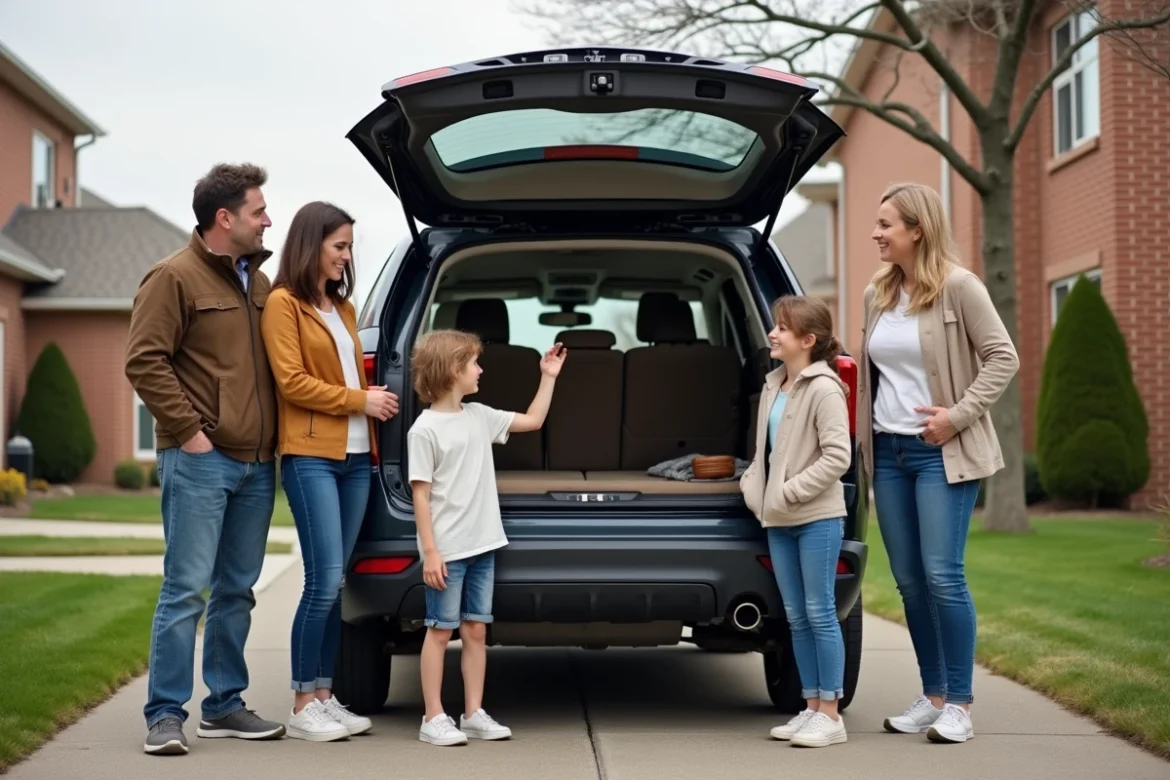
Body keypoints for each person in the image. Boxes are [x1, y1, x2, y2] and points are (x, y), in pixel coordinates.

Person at [126, 163, 285, 756]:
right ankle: (165, 714)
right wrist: (190, 432)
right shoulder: (174, 277)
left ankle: (224, 705)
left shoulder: (261, 285)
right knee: (186, 588)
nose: (268, 220)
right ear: (226, 218)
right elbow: (144, 360)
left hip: (256, 463)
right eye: (259, 211)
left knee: (237, 589)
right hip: (200, 460)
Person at [859, 182, 1019, 744]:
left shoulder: (959, 286)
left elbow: (1004, 357)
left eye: (886, 225)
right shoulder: (876, 293)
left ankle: (961, 703)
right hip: (891, 452)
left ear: (917, 230)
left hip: (940, 453)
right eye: (877, 224)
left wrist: (957, 415)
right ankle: (932, 697)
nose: (876, 233)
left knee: (943, 576)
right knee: (907, 581)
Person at [259, 202, 400, 741]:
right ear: (311, 244)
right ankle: (301, 704)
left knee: (336, 582)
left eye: (348, 247)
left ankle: (324, 694)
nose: (347, 256)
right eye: (339, 246)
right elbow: (291, 382)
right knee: (320, 583)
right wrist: (359, 401)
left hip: (358, 460)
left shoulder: (342, 308)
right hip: (311, 456)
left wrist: (365, 408)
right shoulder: (282, 305)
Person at [407, 329, 567, 746]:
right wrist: (430, 552)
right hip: (448, 551)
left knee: (475, 630)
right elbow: (420, 495)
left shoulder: (478, 415)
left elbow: (532, 421)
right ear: (451, 371)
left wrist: (548, 376)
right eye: (474, 364)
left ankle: (473, 712)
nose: (480, 370)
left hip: (483, 546)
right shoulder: (423, 430)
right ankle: (433, 716)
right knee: (440, 630)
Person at [740, 295, 852, 749]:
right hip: (777, 519)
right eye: (775, 326)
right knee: (796, 616)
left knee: (821, 612)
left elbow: (838, 456)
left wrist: (787, 492)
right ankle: (810, 708)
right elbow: (763, 454)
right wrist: (755, 488)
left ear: (808, 340)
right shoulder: (773, 385)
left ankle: (832, 713)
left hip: (815, 518)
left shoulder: (824, 387)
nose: (773, 333)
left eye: (783, 329)